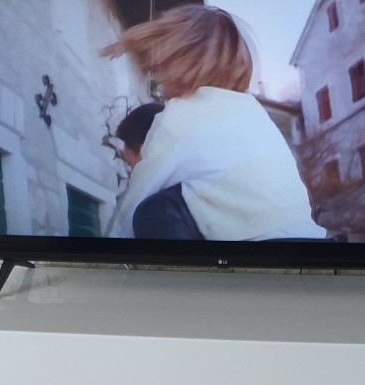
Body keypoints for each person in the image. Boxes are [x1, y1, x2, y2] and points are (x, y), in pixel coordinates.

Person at [101, 6, 326, 242]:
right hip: (308, 243)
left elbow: (140, 195)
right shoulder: (252, 111)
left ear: (179, 64)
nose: (158, 81)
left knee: (152, 210)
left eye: (161, 69)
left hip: (261, 247)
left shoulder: (181, 116)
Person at [111, 101, 205, 240]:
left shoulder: (155, 213)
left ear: (146, 152)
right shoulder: (205, 193)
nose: (131, 176)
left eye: (132, 166)